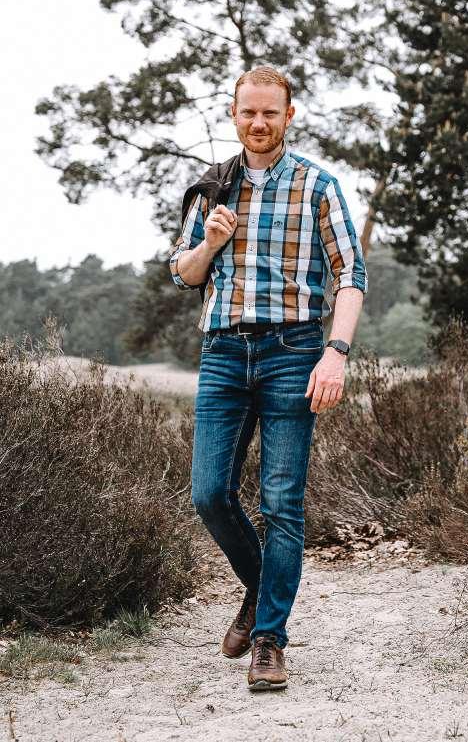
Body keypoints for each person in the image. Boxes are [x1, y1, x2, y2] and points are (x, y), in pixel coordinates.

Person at [169, 66, 368, 691]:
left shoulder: (317, 185)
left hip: (293, 352)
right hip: (224, 353)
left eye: (270, 113)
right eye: (248, 112)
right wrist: (210, 244)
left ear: (289, 115)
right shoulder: (212, 187)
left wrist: (335, 352)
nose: (259, 123)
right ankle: (261, 593)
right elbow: (183, 274)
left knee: (282, 503)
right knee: (209, 495)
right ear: (234, 114)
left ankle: (269, 639)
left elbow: (351, 274)